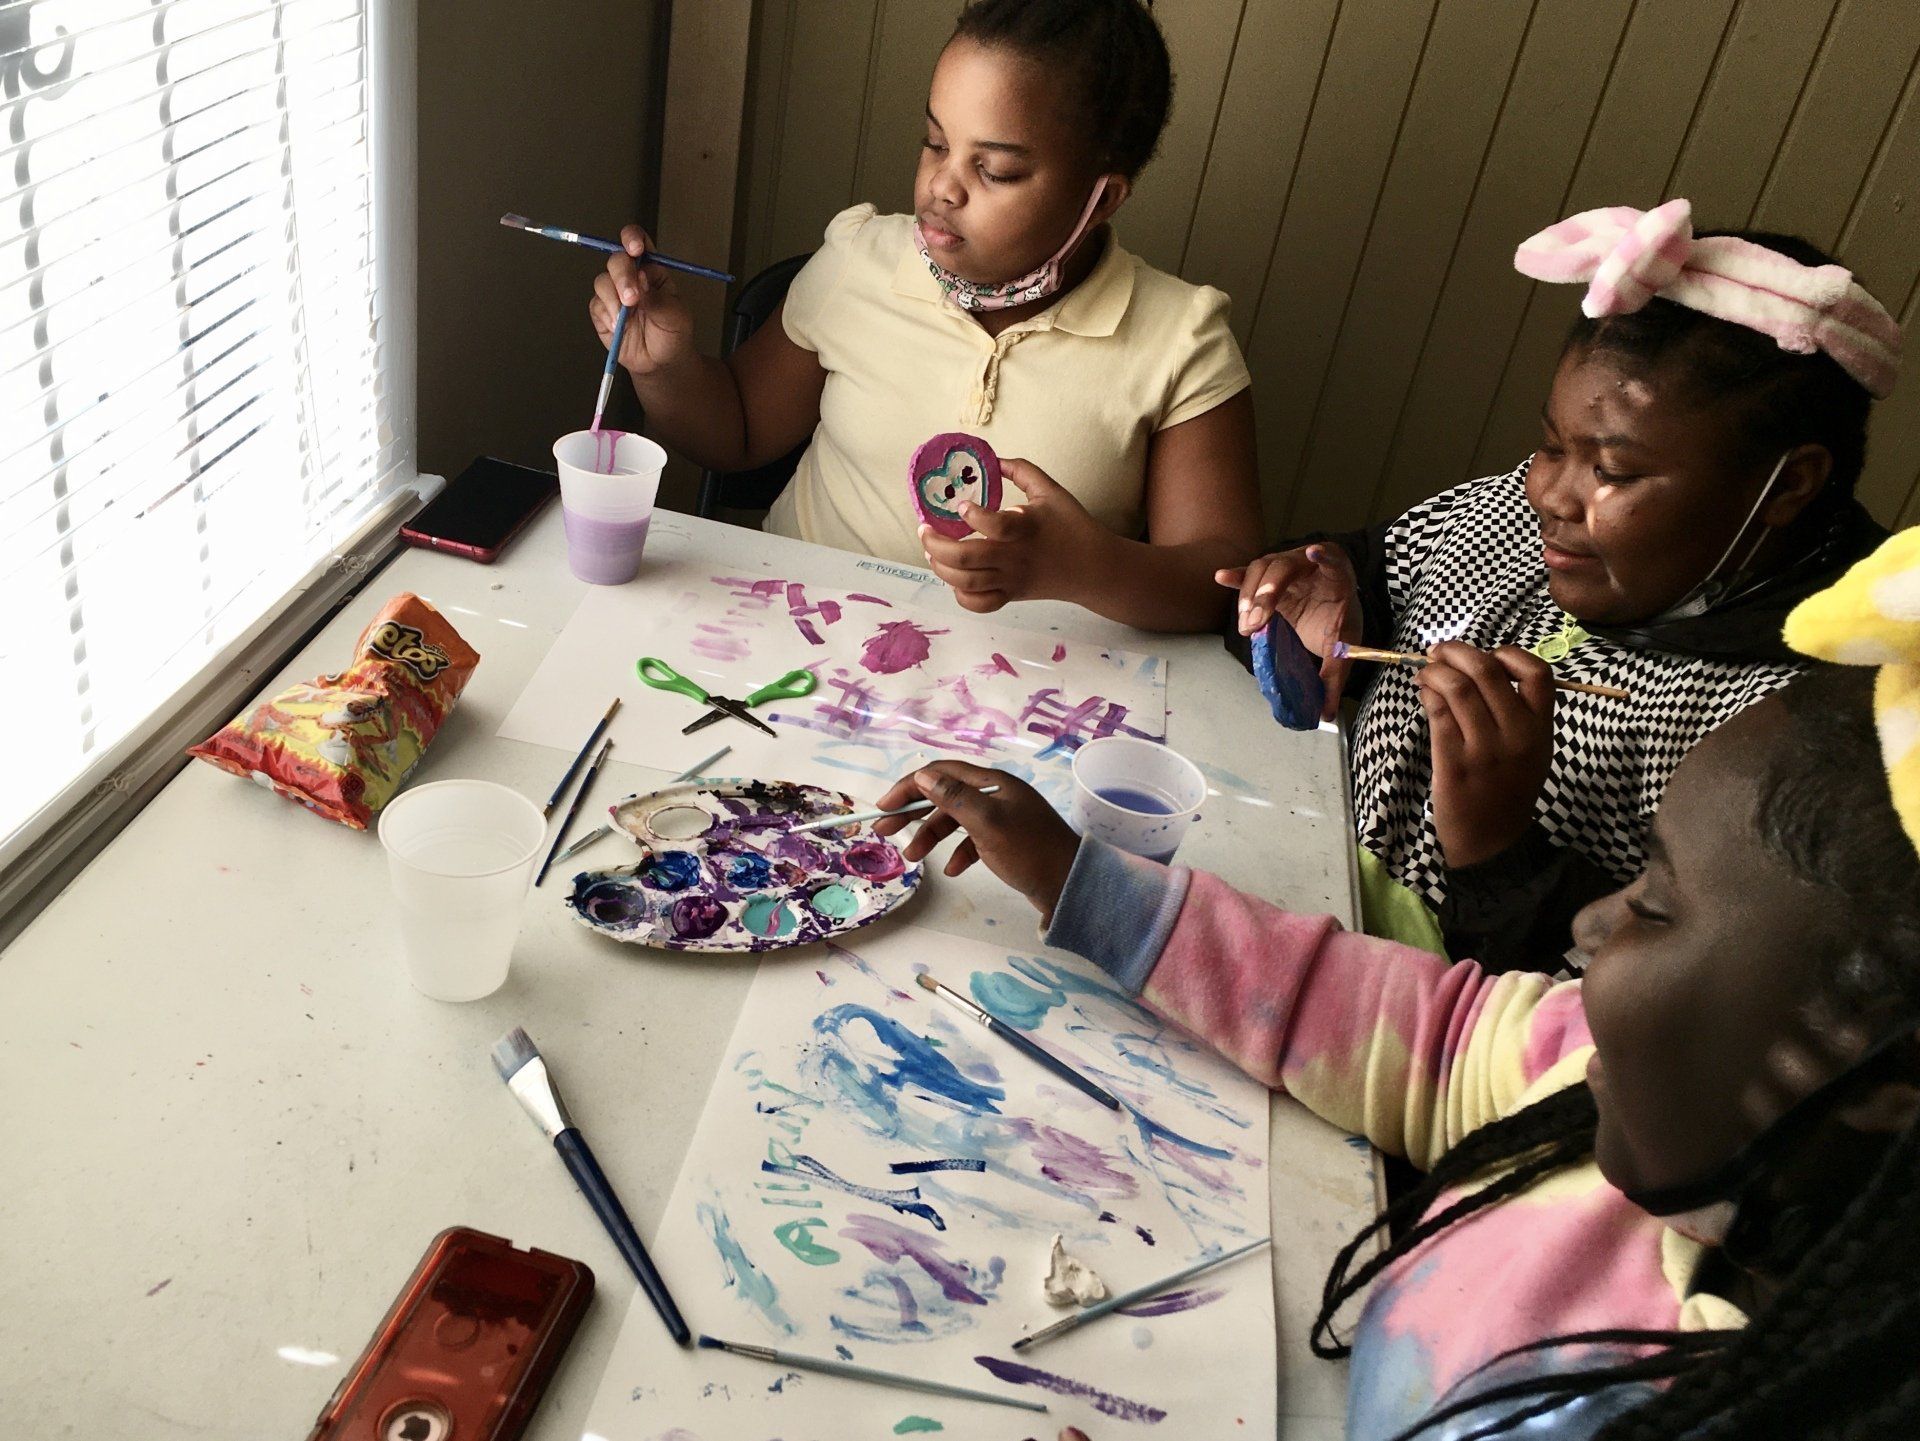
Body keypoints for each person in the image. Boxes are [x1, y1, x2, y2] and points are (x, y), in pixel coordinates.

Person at [871, 526, 1920, 1440]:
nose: (1593, 922)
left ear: (1877, 1064)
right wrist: (1082, 882)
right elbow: (1417, 1029)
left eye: (1656, 903)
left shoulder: (1753, 1398)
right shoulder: (1601, 1070)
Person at [1221, 200, 1899, 967]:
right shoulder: (1523, 513)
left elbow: (1657, 1013)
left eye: (1612, 470)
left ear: (1788, 485)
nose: (1550, 494)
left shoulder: (1788, 736)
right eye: (1551, 445)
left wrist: (1498, 849)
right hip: (1288, 906)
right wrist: (1322, 590)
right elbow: (1384, 574)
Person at [590, 0, 1262, 633]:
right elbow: (732, 435)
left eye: (994, 169)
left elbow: (1224, 578)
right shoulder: (860, 262)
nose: (943, 185)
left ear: (1101, 197)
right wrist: (666, 368)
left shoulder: (1181, 339)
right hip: (793, 635)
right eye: (935, 142)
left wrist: (1085, 568)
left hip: (1021, 689)